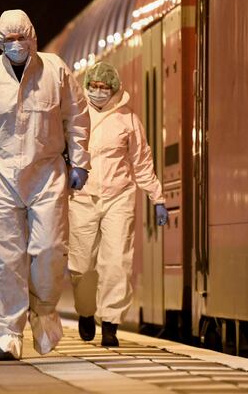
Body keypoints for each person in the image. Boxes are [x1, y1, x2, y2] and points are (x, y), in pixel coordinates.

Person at [0, 9, 90, 361]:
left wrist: (81, 163)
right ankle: (8, 332)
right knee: (6, 258)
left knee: (50, 249)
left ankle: (44, 313)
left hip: (47, 174)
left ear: (33, 37)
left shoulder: (55, 71)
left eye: (21, 38)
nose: (16, 45)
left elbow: (78, 117)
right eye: (8, 40)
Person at [68, 61, 168, 347]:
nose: (98, 92)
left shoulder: (128, 120)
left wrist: (157, 197)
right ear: (86, 87)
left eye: (104, 87)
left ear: (114, 89)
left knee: (116, 261)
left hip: (118, 196)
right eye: (94, 86)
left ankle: (110, 323)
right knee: (82, 263)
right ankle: (86, 311)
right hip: (83, 196)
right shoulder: (75, 116)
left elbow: (141, 162)